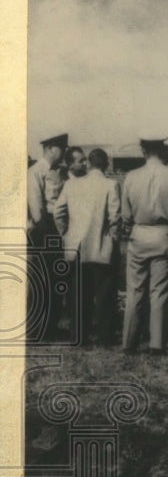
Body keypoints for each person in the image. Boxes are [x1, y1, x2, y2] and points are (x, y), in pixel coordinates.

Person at [120, 137, 168, 354]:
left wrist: (129, 232)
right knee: (159, 292)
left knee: (135, 291)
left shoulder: (131, 177)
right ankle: (157, 344)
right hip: (163, 235)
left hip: (139, 235)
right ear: (163, 149)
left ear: (143, 150)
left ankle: (129, 343)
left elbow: (126, 214)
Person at [53, 148, 122, 344]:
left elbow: (58, 212)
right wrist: (113, 240)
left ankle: (78, 335)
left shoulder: (71, 185)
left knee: (78, 294)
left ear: (89, 164)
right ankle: (105, 335)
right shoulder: (111, 184)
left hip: (76, 246)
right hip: (102, 246)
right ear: (106, 165)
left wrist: (65, 233)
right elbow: (115, 217)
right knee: (104, 294)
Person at [27, 133, 69, 342]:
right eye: (63, 148)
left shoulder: (61, 172)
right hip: (44, 228)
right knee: (41, 279)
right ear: (52, 148)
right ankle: (36, 329)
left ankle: (50, 326)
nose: (65, 153)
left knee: (55, 278)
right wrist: (45, 232)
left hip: (58, 227)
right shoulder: (36, 171)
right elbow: (37, 207)